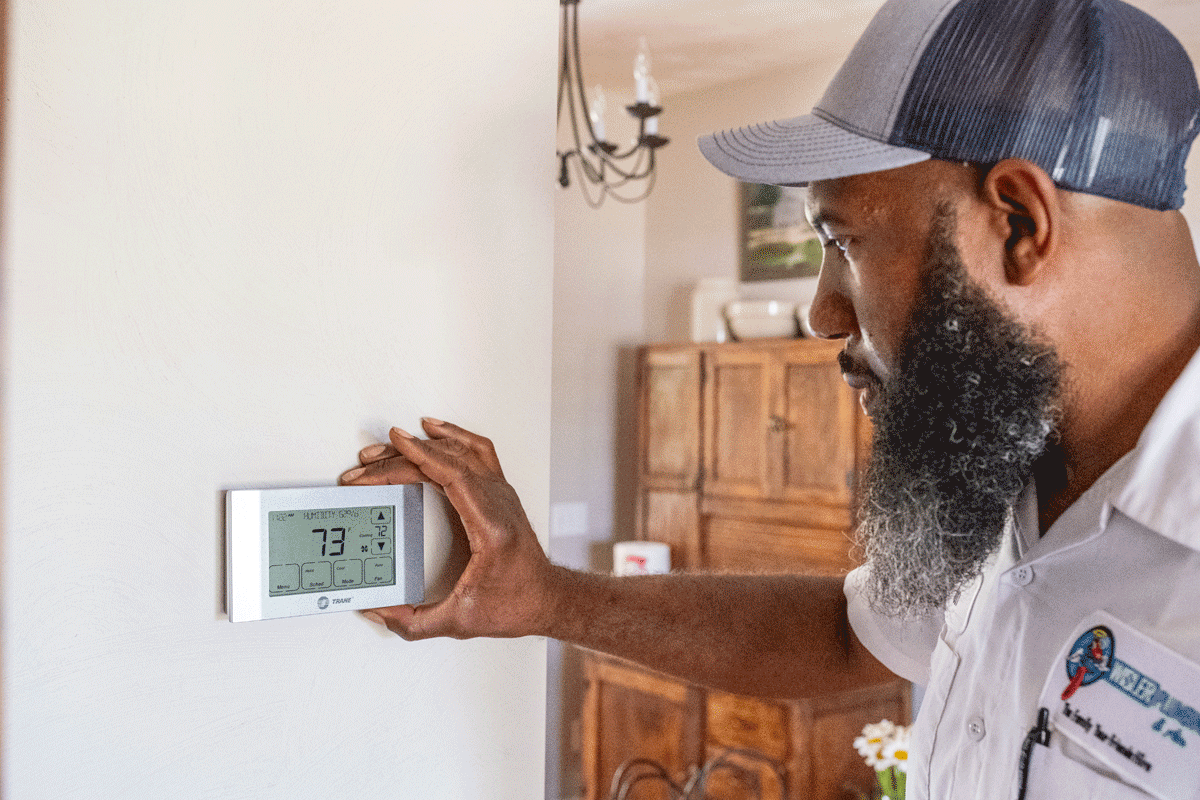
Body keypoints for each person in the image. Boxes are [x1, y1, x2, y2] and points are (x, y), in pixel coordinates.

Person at [341, 0, 1200, 797]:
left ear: (1018, 223)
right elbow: (844, 635)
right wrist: (547, 597)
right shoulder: (1012, 468)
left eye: (843, 242)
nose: (822, 314)